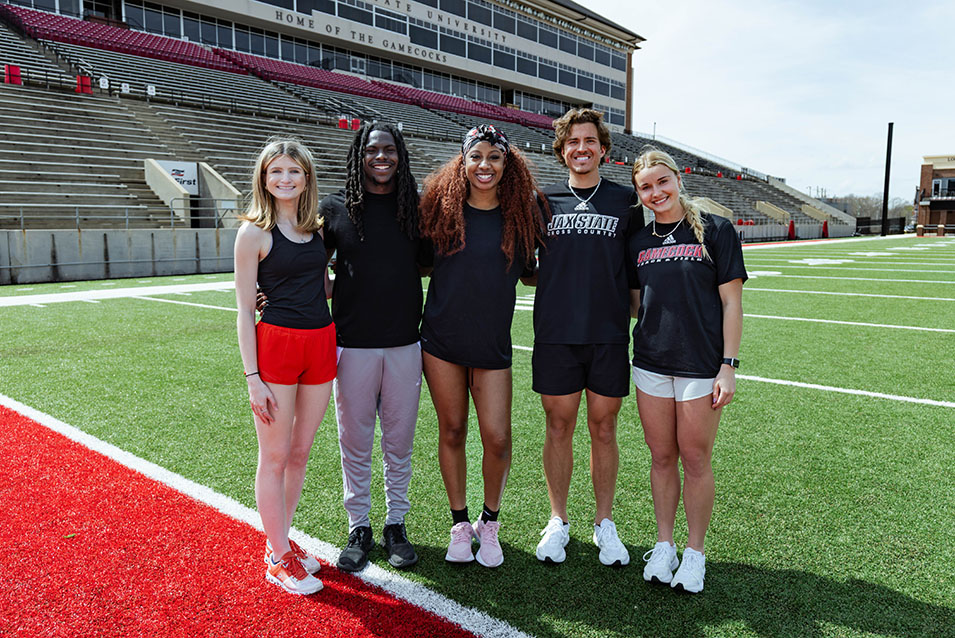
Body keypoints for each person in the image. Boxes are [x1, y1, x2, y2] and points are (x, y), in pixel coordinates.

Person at [419, 125, 544, 568]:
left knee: (497, 436)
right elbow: (406, 261)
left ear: (507, 164)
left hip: (492, 342)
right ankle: (459, 522)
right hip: (441, 340)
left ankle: (489, 521)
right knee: (452, 430)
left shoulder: (522, 215)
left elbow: (536, 271)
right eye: (476, 157)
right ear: (463, 162)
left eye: (494, 157)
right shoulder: (438, 209)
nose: (484, 165)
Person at [628, 148, 746, 593]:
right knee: (661, 458)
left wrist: (728, 366)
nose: (656, 192)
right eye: (646, 187)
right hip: (651, 365)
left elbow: (732, 302)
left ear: (677, 179)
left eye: (662, 181)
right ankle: (665, 545)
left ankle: (694, 553)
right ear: (639, 193)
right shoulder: (637, 242)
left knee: (695, 459)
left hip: (700, 365)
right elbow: (638, 303)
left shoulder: (716, 230)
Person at [533, 108, 643, 567]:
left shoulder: (626, 203)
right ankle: (558, 519)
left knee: (603, 427)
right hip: (557, 334)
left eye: (589, 141)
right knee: (558, 426)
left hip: (608, 335)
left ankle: (604, 523)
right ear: (562, 150)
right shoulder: (542, 201)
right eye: (572, 142)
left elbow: (638, 275)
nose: (581, 148)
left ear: (603, 148)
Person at [321, 122, 427, 572]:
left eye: (389, 149)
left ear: (399, 155)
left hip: (405, 345)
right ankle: (359, 525)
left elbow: (431, 264)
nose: (381, 156)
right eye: (372, 149)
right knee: (356, 443)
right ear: (359, 155)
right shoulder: (335, 207)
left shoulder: (416, 209)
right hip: (352, 347)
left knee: (399, 443)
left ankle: (395, 523)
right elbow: (311, 265)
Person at [234, 138, 334, 595]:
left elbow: (321, 288)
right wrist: (252, 378)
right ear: (264, 178)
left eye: (293, 171)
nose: (285, 179)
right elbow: (242, 310)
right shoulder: (253, 232)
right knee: (274, 456)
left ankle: (282, 543)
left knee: (299, 454)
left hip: (320, 343)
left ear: (306, 177)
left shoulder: (315, 229)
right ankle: (277, 557)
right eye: (276, 171)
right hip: (275, 346)